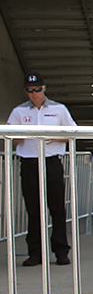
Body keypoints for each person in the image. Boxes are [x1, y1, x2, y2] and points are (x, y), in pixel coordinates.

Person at [5, 71, 75, 266]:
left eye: (37, 90)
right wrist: (25, 135)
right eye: (30, 91)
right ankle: (35, 253)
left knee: (57, 208)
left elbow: (72, 134)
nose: (34, 94)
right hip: (29, 163)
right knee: (33, 210)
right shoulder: (19, 112)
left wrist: (54, 137)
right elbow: (10, 138)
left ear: (44, 88)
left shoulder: (59, 109)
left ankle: (61, 251)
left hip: (51, 161)